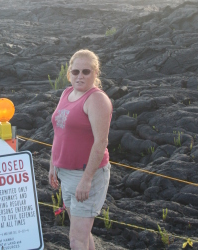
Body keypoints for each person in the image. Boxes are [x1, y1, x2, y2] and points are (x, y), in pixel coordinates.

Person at [49, 49, 112, 250]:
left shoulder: (96, 100)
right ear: (69, 73)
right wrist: (53, 165)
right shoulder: (67, 93)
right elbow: (59, 132)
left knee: (76, 238)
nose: (80, 76)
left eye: (86, 71)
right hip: (65, 173)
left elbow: (101, 142)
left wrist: (87, 179)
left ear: (95, 73)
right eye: (75, 72)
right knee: (82, 234)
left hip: (85, 175)